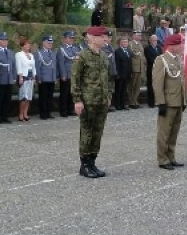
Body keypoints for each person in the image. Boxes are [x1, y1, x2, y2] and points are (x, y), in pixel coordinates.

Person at [72, 25, 111, 178]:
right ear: (93, 38)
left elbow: (108, 78)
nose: (105, 39)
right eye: (102, 37)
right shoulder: (82, 56)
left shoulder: (103, 56)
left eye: (105, 37)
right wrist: (77, 100)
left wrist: (108, 96)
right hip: (88, 101)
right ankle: (84, 165)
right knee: (87, 132)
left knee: (98, 132)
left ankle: (92, 162)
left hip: (101, 101)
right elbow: (75, 80)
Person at [153, 33, 187, 170]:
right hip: (168, 102)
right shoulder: (161, 60)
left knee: (174, 131)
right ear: (171, 46)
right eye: (178, 44)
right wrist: (161, 102)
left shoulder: (178, 59)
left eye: (181, 44)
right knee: (164, 132)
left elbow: (181, 81)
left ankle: (171, 156)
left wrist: (184, 100)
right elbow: (157, 83)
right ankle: (162, 159)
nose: (181, 47)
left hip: (178, 101)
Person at [0, 32, 15, 124]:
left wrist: (14, 77)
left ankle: (5, 116)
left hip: (9, 79)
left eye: (6, 40)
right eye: (2, 40)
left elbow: (13, 66)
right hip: (0, 80)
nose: (5, 42)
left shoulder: (11, 52)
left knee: (7, 99)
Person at [56, 30, 80, 117]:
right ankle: (63, 111)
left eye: (72, 38)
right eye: (70, 38)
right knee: (64, 94)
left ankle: (71, 109)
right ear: (65, 39)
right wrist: (63, 74)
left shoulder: (76, 48)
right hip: (66, 74)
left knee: (72, 93)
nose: (71, 40)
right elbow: (61, 63)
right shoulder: (62, 49)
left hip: (74, 74)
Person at [35, 35, 58, 120]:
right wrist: (39, 78)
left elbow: (55, 67)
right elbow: (37, 67)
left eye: (51, 43)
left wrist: (55, 78)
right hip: (43, 79)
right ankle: (43, 113)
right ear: (43, 43)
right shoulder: (39, 53)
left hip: (51, 78)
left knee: (49, 97)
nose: (50, 44)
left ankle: (48, 112)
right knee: (43, 97)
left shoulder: (52, 53)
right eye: (48, 43)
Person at [15, 37, 36, 121]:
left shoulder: (31, 55)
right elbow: (18, 66)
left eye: (28, 44)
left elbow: (33, 67)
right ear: (22, 46)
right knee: (23, 97)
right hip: (23, 77)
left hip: (31, 77)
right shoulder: (19, 54)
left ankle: (25, 113)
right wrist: (20, 77)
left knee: (29, 97)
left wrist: (34, 76)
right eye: (26, 44)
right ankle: (20, 114)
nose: (28, 46)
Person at [127, 31, 145, 108]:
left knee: (138, 86)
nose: (140, 36)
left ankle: (135, 100)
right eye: (138, 35)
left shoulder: (140, 44)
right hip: (134, 67)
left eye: (140, 35)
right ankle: (131, 101)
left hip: (140, 67)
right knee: (132, 85)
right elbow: (133, 54)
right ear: (134, 36)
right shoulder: (130, 44)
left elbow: (142, 55)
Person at [144, 34, 163, 108]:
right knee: (151, 86)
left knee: (158, 86)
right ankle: (151, 102)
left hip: (159, 70)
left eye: (156, 40)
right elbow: (149, 59)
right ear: (151, 41)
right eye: (154, 40)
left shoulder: (159, 48)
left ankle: (158, 101)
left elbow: (162, 56)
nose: (156, 41)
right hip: (151, 69)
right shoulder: (147, 49)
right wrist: (157, 62)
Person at [113, 37, 132, 110]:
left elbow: (130, 63)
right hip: (120, 74)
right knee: (118, 90)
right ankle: (117, 105)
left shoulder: (129, 51)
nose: (125, 43)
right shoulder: (117, 51)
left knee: (124, 90)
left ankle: (123, 104)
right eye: (124, 42)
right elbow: (117, 63)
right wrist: (117, 74)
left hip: (127, 74)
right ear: (120, 43)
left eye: (126, 42)